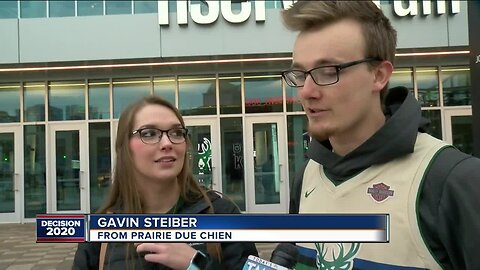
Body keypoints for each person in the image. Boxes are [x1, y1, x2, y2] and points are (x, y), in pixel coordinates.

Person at [281, 1, 480, 269]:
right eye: (299, 74)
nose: (306, 91)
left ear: (379, 75)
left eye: (328, 71)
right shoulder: (307, 176)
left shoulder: (452, 182)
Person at [73, 96, 258, 269]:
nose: (167, 143)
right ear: (125, 147)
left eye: (176, 133)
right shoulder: (100, 230)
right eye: (150, 133)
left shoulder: (222, 214)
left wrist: (196, 264)